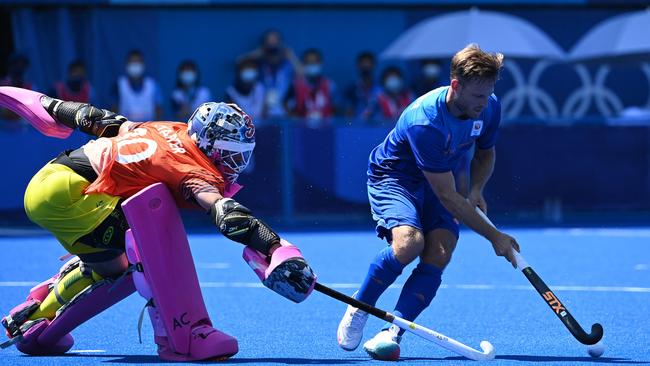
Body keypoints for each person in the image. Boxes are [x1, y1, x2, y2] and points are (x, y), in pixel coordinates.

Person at [1, 93, 315, 360]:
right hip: (73, 197)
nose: (236, 165)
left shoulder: (171, 129)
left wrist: (49, 105)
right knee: (133, 262)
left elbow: (99, 119)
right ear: (211, 146)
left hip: (53, 176)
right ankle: (181, 335)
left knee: (114, 256)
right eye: (232, 156)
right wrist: (274, 246)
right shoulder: (195, 170)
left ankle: (36, 310)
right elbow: (228, 215)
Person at [336, 44, 521, 361]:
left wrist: (477, 189)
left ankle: (392, 332)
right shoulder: (426, 121)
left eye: (488, 93)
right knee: (410, 244)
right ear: (455, 86)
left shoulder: (489, 106)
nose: (484, 103)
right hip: (396, 178)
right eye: (477, 96)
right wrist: (495, 236)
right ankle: (361, 304)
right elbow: (448, 196)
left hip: (442, 178)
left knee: (440, 252)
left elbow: (485, 152)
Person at [288, 48, 337, 126]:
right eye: (309, 63)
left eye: (315, 62)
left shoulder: (330, 85)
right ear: (303, 65)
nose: (313, 65)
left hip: (326, 130)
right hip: (302, 130)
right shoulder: (295, 86)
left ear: (321, 63)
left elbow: (336, 109)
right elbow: (290, 110)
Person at [110, 50, 163, 121]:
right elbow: (113, 111)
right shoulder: (119, 85)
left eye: (137, 62)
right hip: (126, 129)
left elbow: (159, 112)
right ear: (126, 65)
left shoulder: (153, 85)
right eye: (132, 62)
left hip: (148, 129)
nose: (135, 65)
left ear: (143, 65)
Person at [344, 51, 380, 122]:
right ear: (358, 65)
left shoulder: (380, 90)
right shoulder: (351, 89)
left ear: (374, 65)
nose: (366, 66)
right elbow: (347, 112)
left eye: (369, 64)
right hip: (356, 127)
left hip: (377, 127)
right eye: (363, 64)